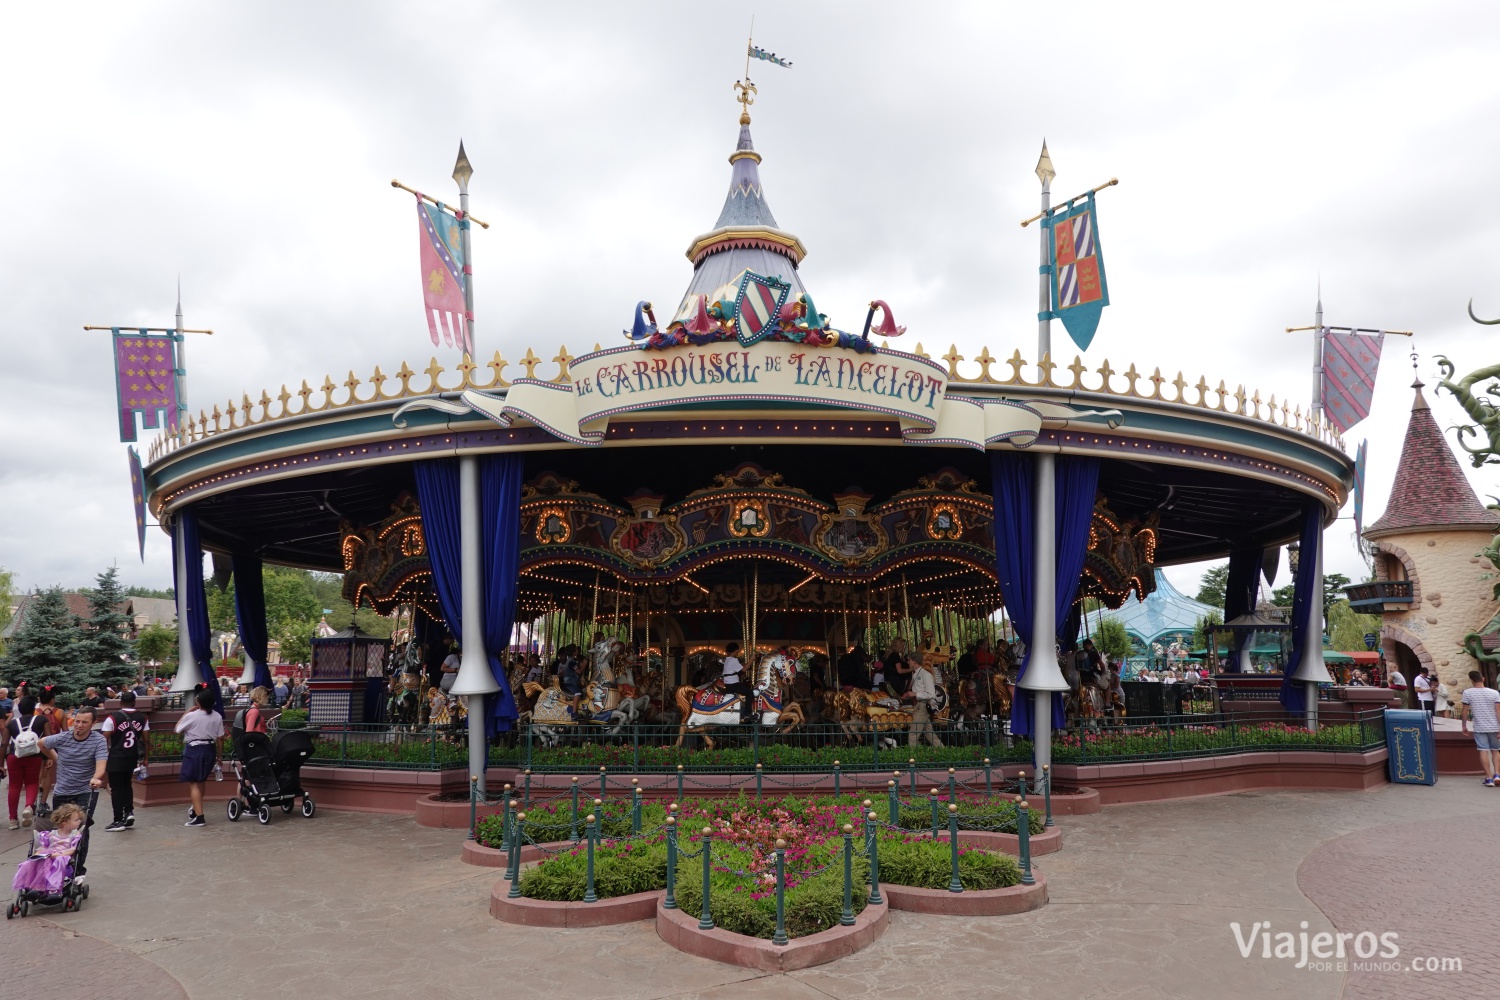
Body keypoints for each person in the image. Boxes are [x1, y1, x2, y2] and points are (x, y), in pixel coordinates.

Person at [38, 706, 107, 876]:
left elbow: (101, 765)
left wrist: (96, 778)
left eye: (84, 722)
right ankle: (58, 866)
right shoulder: (64, 737)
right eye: (77, 721)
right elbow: (41, 743)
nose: (79, 725)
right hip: (62, 791)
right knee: (60, 829)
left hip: (85, 791)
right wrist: (56, 758)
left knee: (80, 829)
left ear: (93, 723)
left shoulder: (98, 741)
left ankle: (78, 870)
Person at [11, 802, 85, 897]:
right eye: (76, 820)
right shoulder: (50, 835)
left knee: (59, 861)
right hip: (49, 855)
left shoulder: (74, 835)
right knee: (31, 863)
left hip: (63, 855)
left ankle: (53, 888)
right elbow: (43, 848)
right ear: (64, 823)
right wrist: (37, 855)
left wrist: (57, 855)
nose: (79, 821)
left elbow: (72, 850)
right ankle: (35, 887)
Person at [175, 688, 225, 828]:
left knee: (194, 783)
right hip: (209, 749)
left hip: (194, 749)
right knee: (201, 781)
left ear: (199, 701)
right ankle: (196, 808)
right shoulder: (217, 716)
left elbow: (177, 729)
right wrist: (219, 756)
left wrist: (187, 712)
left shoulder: (192, 716)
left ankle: (199, 816)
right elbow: (220, 738)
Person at [100, 691, 149, 832]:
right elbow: (146, 740)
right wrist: (146, 758)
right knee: (127, 784)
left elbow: (104, 739)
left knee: (116, 788)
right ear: (134, 702)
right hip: (132, 757)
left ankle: (118, 820)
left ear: (121, 703)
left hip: (116, 757)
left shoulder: (113, 718)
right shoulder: (143, 717)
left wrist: (103, 756)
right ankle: (129, 812)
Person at [5, 695, 47, 830]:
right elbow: (49, 739)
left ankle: (12, 820)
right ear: (34, 708)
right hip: (34, 756)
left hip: (14, 756)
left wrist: (1, 763)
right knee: (32, 782)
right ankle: (29, 806)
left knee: (14, 786)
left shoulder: (11, 723)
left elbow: (4, 743)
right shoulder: (41, 720)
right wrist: (49, 758)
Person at [1460, 671, 1500, 786]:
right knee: (1495, 750)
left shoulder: (1467, 693)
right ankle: (1497, 774)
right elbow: (1498, 711)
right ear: (1483, 679)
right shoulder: (1494, 693)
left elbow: (1464, 712)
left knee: (1483, 750)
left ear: (1471, 681)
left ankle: (1488, 777)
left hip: (1479, 726)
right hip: (1494, 726)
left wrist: (1464, 726)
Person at [905, 650, 944, 748]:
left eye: (909, 660)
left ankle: (912, 759)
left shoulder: (926, 675)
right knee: (930, 734)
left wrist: (915, 694)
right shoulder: (915, 674)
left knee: (913, 734)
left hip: (921, 706)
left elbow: (931, 694)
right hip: (919, 705)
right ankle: (943, 752)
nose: (908, 662)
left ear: (915, 661)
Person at [720, 642, 753, 721]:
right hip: (733, 684)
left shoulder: (728, 659)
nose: (737, 653)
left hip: (728, 684)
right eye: (737, 652)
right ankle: (746, 714)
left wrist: (747, 663)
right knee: (750, 693)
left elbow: (741, 666)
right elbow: (744, 669)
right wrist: (751, 660)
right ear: (735, 651)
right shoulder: (733, 660)